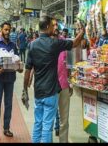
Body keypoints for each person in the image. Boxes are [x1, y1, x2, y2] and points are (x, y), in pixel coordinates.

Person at [23, 15, 84, 143]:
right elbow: (75, 43)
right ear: (46, 27)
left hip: (38, 92)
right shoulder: (54, 44)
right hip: (51, 92)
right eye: (52, 25)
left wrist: (24, 90)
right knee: (47, 127)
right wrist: (82, 31)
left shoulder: (32, 45)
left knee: (38, 123)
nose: (54, 27)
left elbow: (27, 70)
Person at [0, 22, 23, 139]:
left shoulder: (13, 46)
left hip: (10, 79)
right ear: (1, 30)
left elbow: (17, 61)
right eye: (5, 30)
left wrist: (19, 68)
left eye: (9, 30)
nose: (8, 32)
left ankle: (6, 128)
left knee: (8, 104)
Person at [56, 28, 73, 143]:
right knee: (46, 120)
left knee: (64, 119)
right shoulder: (43, 43)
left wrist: (71, 82)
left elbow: (70, 65)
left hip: (64, 85)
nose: (55, 28)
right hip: (49, 86)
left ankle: (63, 141)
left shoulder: (66, 44)